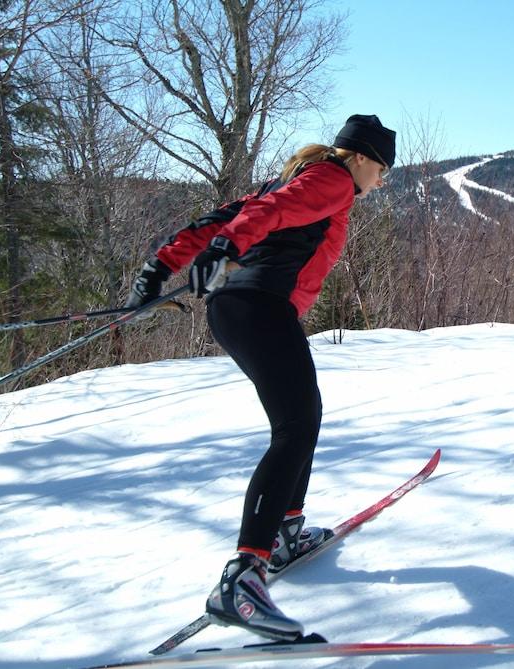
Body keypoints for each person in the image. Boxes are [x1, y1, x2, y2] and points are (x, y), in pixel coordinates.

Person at [125, 114, 396, 640]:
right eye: (383, 169)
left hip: (237, 310)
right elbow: (259, 217)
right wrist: (225, 249)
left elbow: (223, 216)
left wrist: (159, 269)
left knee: (302, 419)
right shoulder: (332, 179)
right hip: (261, 307)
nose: (381, 182)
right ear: (361, 158)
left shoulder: (294, 177)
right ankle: (244, 577)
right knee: (296, 426)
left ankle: (287, 531)